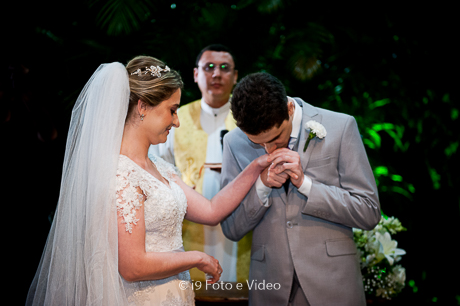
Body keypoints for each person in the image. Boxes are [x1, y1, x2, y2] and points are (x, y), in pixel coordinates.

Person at [26, 56, 271, 306]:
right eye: (172, 110)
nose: (177, 122)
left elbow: (211, 211)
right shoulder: (121, 175)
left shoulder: (160, 167)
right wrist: (196, 258)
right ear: (142, 107)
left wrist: (256, 167)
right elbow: (133, 267)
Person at [220, 72, 381, 306]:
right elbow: (231, 228)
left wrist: (306, 185)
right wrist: (261, 187)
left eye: (275, 139)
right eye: (258, 143)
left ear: (289, 109)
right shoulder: (233, 142)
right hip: (270, 289)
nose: (268, 149)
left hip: (333, 286)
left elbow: (369, 211)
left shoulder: (341, 126)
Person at [149, 44, 250, 283]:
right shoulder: (174, 118)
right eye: (209, 67)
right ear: (196, 75)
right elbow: (154, 170)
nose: (216, 74)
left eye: (225, 68)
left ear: (235, 76)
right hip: (189, 223)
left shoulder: (250, 118)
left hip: (241, 223)